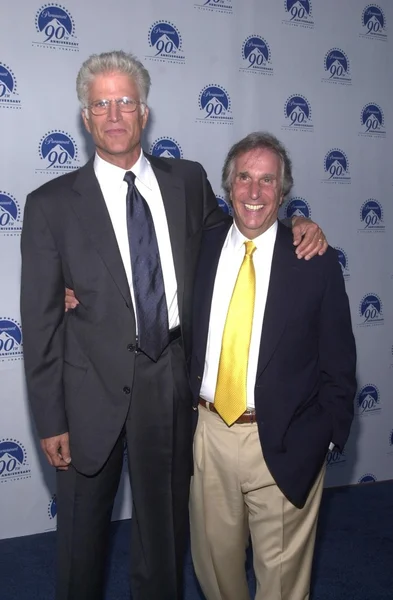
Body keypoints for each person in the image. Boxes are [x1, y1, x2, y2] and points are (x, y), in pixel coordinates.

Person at [20, 50, 327, 600]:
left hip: (169, 383)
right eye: (101, 104)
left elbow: (241, 231)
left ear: (144, 112)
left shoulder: (187, 181)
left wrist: (297, 220)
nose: (114, 115)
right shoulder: (50, 206)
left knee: (163, 541)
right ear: (86, 117)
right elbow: (39, 323)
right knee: (80, 545)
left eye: (126, 102)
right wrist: (50, 418)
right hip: (87, 391)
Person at [188, 132, 357, 600]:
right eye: (245, 177)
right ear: (228, 186)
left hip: (285, 439)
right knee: (215, 573)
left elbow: (339, 363)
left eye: (268, 181)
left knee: (281, 585)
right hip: (209, 437)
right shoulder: (198, 248)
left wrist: (321, 437)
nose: (255, 192)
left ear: (283, 193)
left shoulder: (314, 261)